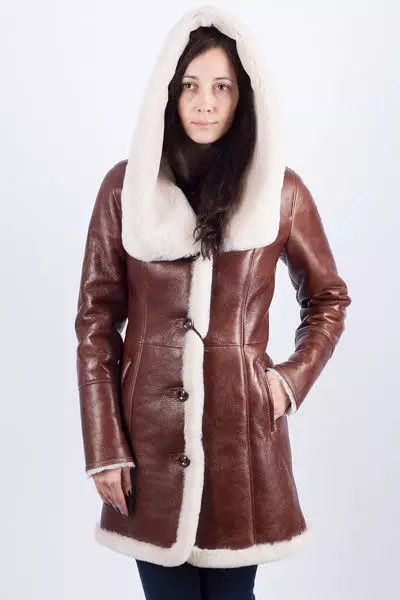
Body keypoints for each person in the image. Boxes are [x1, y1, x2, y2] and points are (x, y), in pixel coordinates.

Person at [74, 5, 352, 599]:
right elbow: (95, 323)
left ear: (242, 97)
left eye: (221, 87)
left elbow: (328, 298)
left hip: (241, 445)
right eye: (190, 86)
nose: (205, 103)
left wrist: (286, 382)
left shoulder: (279, 191)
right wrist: (104, 446)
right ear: (168, 93)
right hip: (146, 444)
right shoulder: (126, 189)